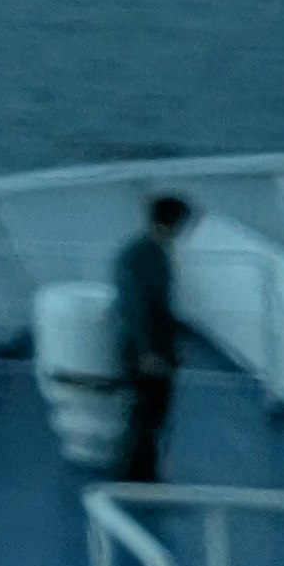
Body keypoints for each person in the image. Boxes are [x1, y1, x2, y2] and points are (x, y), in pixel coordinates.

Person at [112, 193, 192, 481]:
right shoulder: (144, 256)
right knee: (145, 414)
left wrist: (173, 345)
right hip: (146, 350)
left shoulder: (150, 252)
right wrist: (148, 352)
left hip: (157, 347)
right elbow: (139, 308)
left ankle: (142, 471)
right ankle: (135, 476)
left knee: (153, 413)